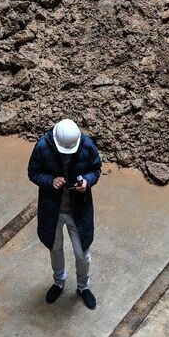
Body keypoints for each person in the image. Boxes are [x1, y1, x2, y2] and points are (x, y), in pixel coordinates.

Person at [27, 118, 102, 310]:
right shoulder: (43, 146)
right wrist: (50, 181)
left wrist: (86, 182)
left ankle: (83, 287)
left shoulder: (86, 145)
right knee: (55, 247)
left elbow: (96, 168)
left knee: (82, 253)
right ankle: (59, 282)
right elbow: (33, 172)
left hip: (79, 211)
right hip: (52, 210)